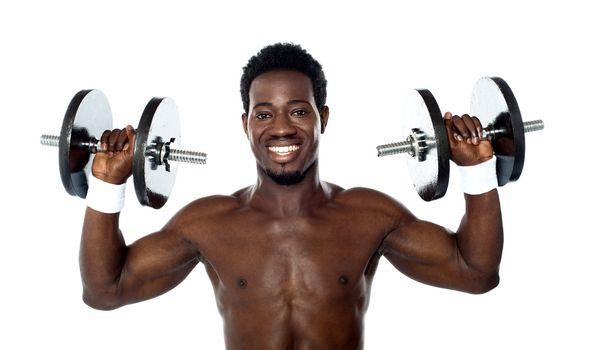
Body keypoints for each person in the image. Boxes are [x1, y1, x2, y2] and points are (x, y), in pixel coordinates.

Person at [80, 43, 503, 349]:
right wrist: (107, 183)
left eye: (299, 111)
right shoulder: (208, 224)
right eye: (263, 114)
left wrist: (478, 169)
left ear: (324, 118)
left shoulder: (368, 216)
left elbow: (475, 273)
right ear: (245, 124)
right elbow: (105, 291)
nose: (281, 128)